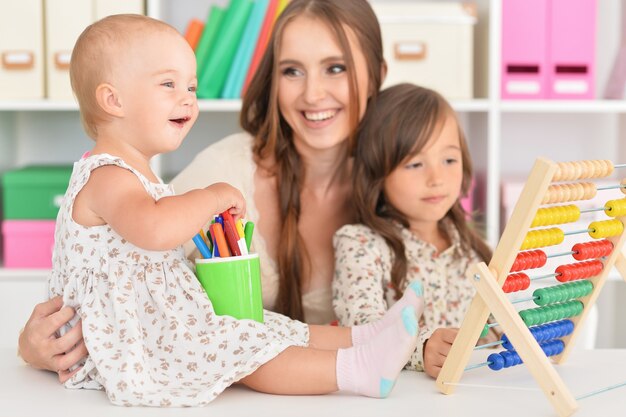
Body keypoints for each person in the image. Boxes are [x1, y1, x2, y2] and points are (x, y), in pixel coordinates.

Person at [45, 14, 424, 405]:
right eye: (169, 84)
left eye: (191, 86)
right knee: (245, 347)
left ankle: (367, 336)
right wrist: (210, 198)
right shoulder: (108, 174)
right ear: (113, 100)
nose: (188, 98)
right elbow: (154, 230)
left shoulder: (134, 174)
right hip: (136, 345)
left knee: (270, 327)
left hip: (162, 329)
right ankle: (356, 369)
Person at [332, 84, 494, 379]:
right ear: (377, 173)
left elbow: (496, 331)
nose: (437, 178)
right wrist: (423, 347)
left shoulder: (475, 251)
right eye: (416, 163)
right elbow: (361, 328)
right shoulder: (361, 245)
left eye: (449, 160)